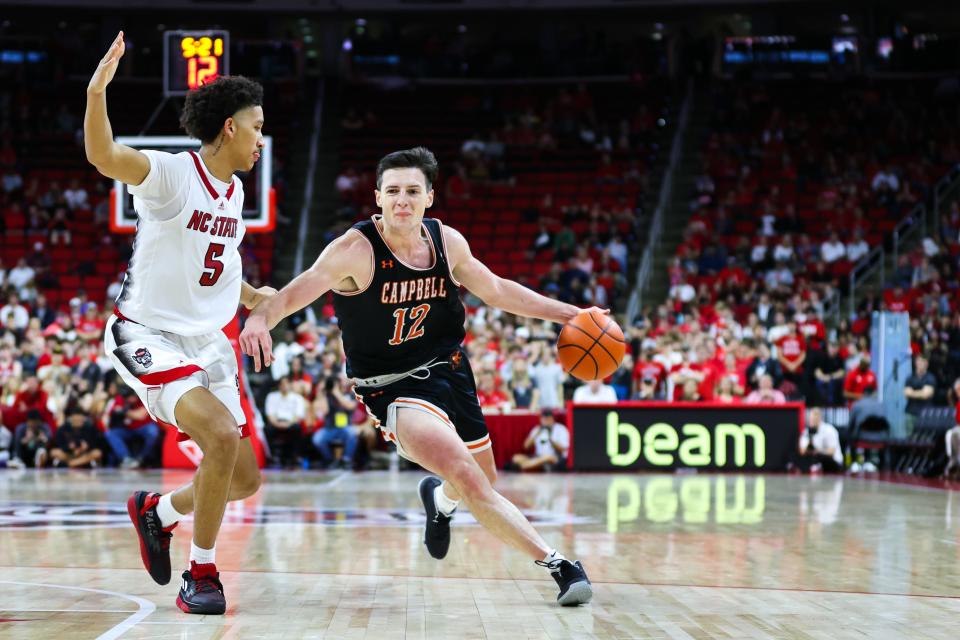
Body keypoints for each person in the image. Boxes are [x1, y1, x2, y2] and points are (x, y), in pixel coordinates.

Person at [241, 147, 594, 605]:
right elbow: (294, 293)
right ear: (377, 197)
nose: (402, 200)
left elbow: (499, 290)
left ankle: (440, 502)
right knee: (470, 476)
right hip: (391, 386)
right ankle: (560, 565)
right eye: (392, 192)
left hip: (450, 369)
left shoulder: (447, 242)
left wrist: (572, 314)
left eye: (412, 191)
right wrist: (258, 319)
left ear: (429, 197)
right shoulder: (354, 250)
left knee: (479, 480)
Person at [85, 32, 275, 615]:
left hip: (207, 342)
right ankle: (203, 574)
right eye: (257, 126)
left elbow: (216, 267)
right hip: (147, 334)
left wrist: (254, 295)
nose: (262, 139)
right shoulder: (170, 174)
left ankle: (158, 513)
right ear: (229, 128)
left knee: (244, 480)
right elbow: (104, 156)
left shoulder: (235, 190)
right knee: (219, 435)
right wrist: (98, 92)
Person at [310, 375, 359, 469]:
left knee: (353, 434)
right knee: (317, 439)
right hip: (330, 428)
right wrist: (322, 394)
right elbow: (324, 412)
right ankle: (330, 460)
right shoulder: (327, 396)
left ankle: (346, 459)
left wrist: (336, 393)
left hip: (345, 427)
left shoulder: (349, 395)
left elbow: (350, 406)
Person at [263, 376, 307, 468]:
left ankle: (294, 456)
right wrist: (277, 424)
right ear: (279, 386)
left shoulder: (297, 398)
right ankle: (272, 456)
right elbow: (270, 415)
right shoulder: (272, 396)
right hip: (276, 422)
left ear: (290, 385)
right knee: (267, 429)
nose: (284, 386)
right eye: (282, 384)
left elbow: (298, 416)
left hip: (291, 422)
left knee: (297, 428)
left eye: (286, 383)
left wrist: (288, 424)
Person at [795, 407, 843, 473]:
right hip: (815, 459)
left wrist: (817, 451)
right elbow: (802, 451)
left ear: (820, 418)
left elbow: (831, 452)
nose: (812, 420)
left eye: (815, 418)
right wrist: (810, 440)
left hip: (833, 462)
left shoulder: (829, 430)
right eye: (811, 418)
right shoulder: (806, 432)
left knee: (822, 458)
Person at [904, 355, 936, 433]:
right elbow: (906, 393)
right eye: (918, 361)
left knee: (924, 438)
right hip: (910, 413)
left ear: (926, 364)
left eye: (922, 361)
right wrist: (921, 392)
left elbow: (926, 395)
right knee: (909, 439)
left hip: (925, 414)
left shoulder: (930, 378)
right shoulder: (910, 377)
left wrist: (913, 392)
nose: (920, 363)